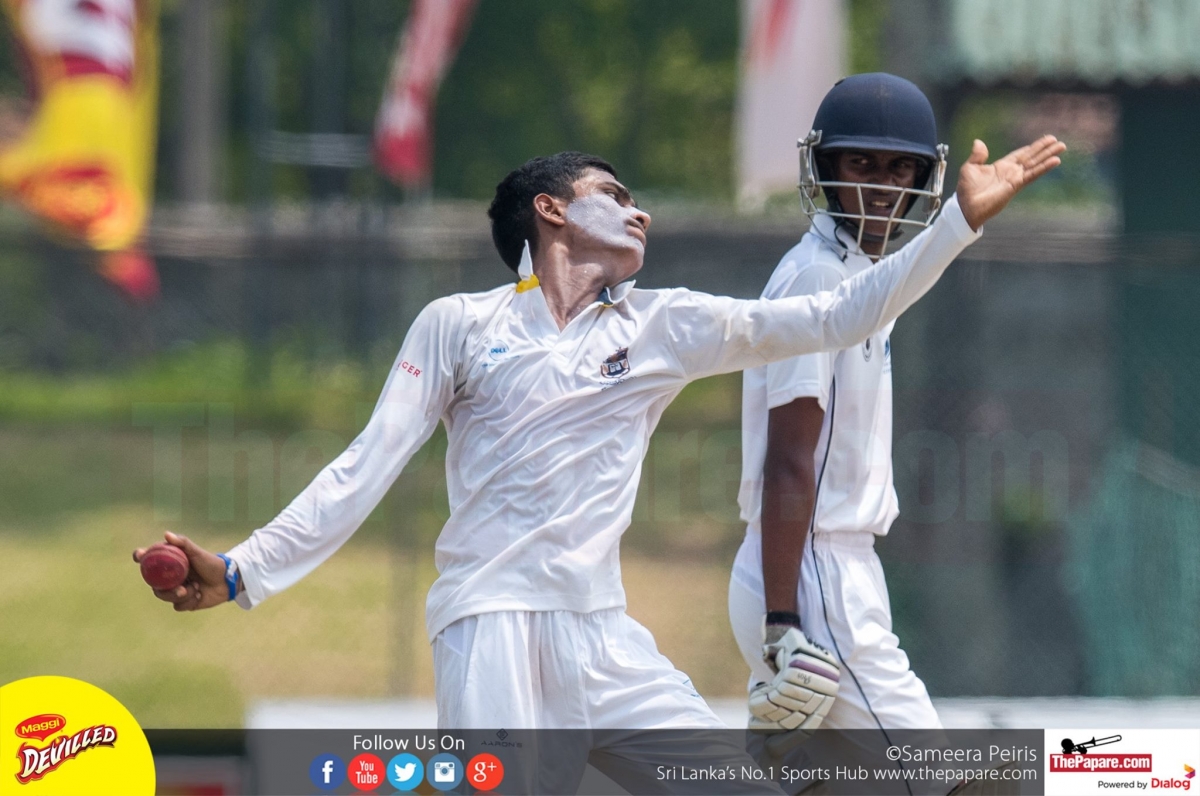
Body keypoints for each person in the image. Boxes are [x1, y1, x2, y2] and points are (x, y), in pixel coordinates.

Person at [134, 139, 1058, 790]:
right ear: (551, 210)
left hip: (605, 639)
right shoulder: (459, 325)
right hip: (491, 624)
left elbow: (835, 315)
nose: (637, 209)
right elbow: (366, 463)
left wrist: (955, 225)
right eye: (613, 194)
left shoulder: (662, 325)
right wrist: (244, 570)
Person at [727, 74, 1063, 751]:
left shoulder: (856, 272)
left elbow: (898, 284)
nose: (882, 185)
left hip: (835, 572)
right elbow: (789, 458)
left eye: (899, 168)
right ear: (825, 167)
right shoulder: (818, 276)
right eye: (862, 164)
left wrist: (960, 223)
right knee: (935, 779)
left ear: (921, 176)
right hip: (815, 576)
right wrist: (783, 619)